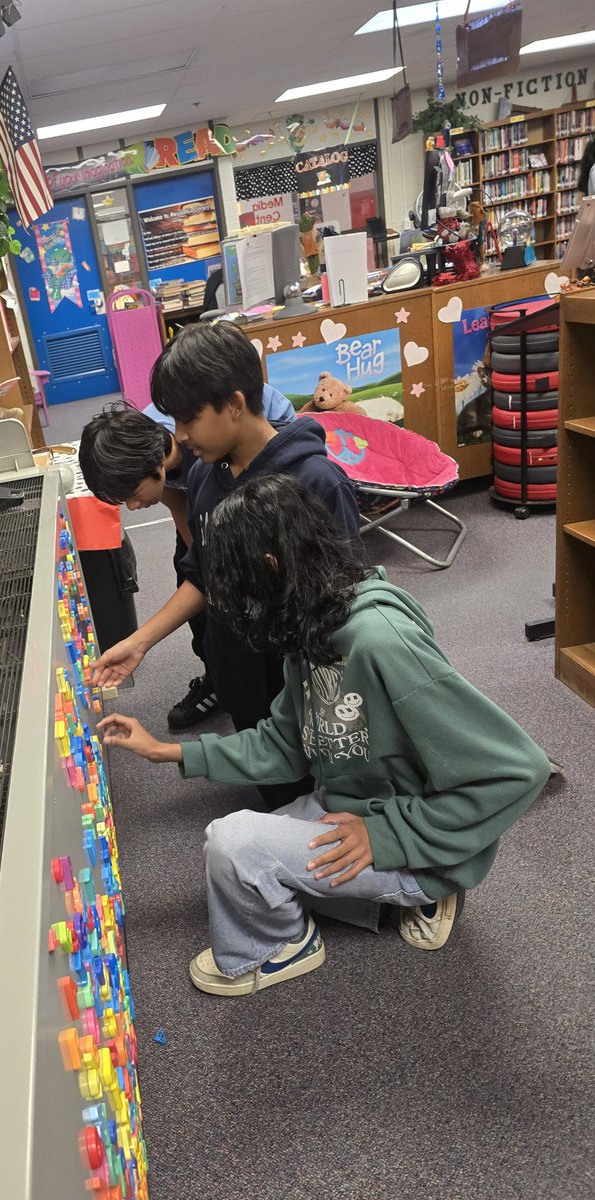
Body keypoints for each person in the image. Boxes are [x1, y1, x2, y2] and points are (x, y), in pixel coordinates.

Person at [98, 474, 550, 997]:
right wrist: (165, 750)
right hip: (352, 804)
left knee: (235, 844)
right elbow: (284, 745)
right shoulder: (310, 624)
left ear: (269, 568)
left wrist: (386, 837)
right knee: (231, 850)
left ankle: (287, 944)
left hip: (411, 836)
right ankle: (388, 894)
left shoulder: (380, 642)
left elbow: (518, 770)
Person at [91, 323, 363, 808]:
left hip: (301, 679)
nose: (178, 435)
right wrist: (138, 643)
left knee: (323, 801)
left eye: (187, 419)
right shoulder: (203, 476)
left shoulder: (315, 481)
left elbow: (350, 605)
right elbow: (203, 573)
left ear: (234, 404)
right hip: (241, 671)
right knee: (275, 786)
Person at [79, 374, 296, 730]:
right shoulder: (147, 455)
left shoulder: (208, 447)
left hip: (256, 489)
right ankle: (217, 676)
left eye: (133, 494)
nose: (132, 507)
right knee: (193, 579)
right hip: (201, 498)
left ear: (157, 464)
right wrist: (205, 564)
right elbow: (182, 509)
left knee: (248, 600)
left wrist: (220, 570)